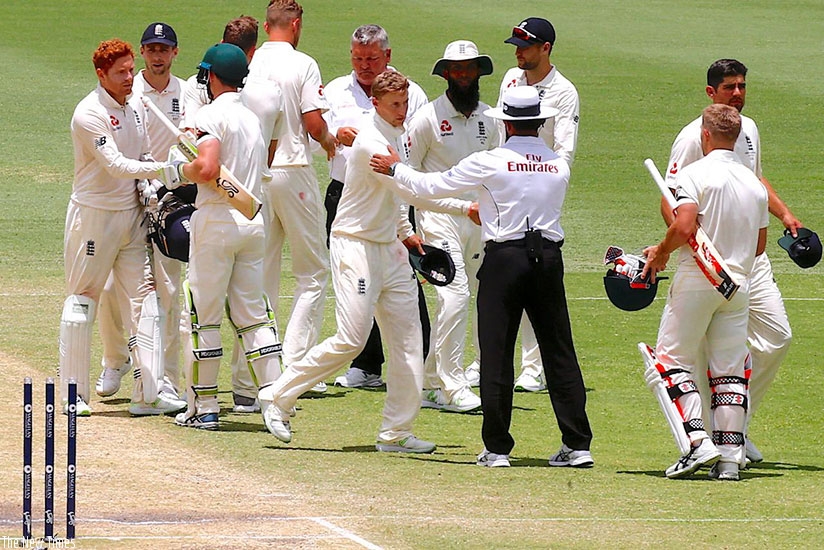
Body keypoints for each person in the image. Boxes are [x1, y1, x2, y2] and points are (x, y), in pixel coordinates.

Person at [370, 86, 593, 468]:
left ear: (505, 122)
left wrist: (394, 168)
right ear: (539, 123)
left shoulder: (491, 160)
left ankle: (497, 448)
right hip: (550, 260)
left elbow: (430, 185)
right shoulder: (559, 164)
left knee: (496, 351)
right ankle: (577, 444)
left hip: (505, 259)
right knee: (559, 351)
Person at [263, 71, 436, 455]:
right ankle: (278, 396)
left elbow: (394, 198)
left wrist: (405, 230)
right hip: (354, 247)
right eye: (395, 105)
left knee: (409, 341)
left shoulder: (398, 135)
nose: (402, 111)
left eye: (405, 104)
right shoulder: (370, 144)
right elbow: (414, 189)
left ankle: (396, 433)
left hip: (390, 249)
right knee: (351, 338)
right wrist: (464, 206)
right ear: (375, 103)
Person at [664, 59, 798, 464]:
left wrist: (785, 215)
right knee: (711, 352)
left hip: (749, 260)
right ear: (711, 93)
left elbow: (755, 181)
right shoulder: (692, 138)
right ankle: (721, 438)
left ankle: (733, 427)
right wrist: (693, 244)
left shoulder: (747, 128)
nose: (737, 93)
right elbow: (671, 200)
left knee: (777, 337)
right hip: (709, 259)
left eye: (741, 86)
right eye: (729, 88)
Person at [643, 104, 769, 481]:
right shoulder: (754, 184)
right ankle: (730, 458)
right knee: (730, 371)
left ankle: (698, 442)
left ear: (706, 135)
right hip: (739, 283)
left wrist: (661, 252)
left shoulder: (694, 173)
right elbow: (760, 245)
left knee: (670, 361)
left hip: (698, 278)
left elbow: (683, 225)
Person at [61, 38, 181, 415]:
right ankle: (73, 395)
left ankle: (149, 394)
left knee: (145, 302)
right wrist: (165, 169)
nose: (131, 77)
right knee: (83, 300)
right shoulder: (88, 113)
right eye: (121, 72)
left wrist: (153, 187)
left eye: (131, 69)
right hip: (94, 217)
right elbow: (114, 164)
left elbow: (140, 155)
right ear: (102, 74)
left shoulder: (136, 105)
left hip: (131, 216)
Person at [171, 43, 282, 431]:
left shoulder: (209, 115)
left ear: (211, 77)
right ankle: (276, 400)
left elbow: (206, 167)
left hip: (217, 222)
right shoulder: (252, 118)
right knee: (253, 315)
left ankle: (204, 408)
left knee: (204, 315)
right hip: (252, 223)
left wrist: (178, 170)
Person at [323, 24, 429, 389]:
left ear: (387, 56)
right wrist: (336, 137)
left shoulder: (411, 94)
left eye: (371, 58)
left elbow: (414, 141)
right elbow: (318, 136)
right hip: (345, 196)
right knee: (357, 287)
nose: (364, 65)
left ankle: (421, 364)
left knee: (404, 281)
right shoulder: (336, 90)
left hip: (397, 194)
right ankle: (366, 365)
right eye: (357, 58)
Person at [94, 22, 188, 415]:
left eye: (164, 49)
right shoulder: (130, 93)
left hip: (171, 199)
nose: (157, 56)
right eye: (151, 49)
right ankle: (115, 362)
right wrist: (150, 178)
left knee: (164, 292)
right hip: (126, 198)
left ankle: (162, 379)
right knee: (113, 289)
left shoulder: (188, 93)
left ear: (174, 52)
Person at [407, 39, 501, 413]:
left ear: (478, 72)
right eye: (456, 70)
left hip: (478, 221)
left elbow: (498, 171)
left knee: (474, 298)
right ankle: (451, 385)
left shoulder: (491, 119)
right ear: (445, 74)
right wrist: (406, 228)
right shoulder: (427, 118)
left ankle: (430, 383)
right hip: (438, 218)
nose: (463, 76)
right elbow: (407, 179)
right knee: (454, 296)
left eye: (469, 69)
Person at [247, 0, 336, 392]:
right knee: (313, 272)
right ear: (296, 25)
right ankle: (298, 366)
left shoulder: (250, 61)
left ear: (268, 27)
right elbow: (313, 122)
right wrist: (331, 140)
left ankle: (261, 363)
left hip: (256, 174)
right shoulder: (303, 63)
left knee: (261, 269)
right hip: (294, 170)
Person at [498, 17, 581, 393]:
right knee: (499, 273)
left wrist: (545, 185)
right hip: (506, 184)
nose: (518, 51)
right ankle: (489, 361)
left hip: (542, 191)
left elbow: (564, 151)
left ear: (545, 48)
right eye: (516, 44)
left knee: (533, 270)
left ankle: (532, 368)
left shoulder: (563, 92)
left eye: (525, 45)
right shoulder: (510, 80)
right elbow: (501, 136)